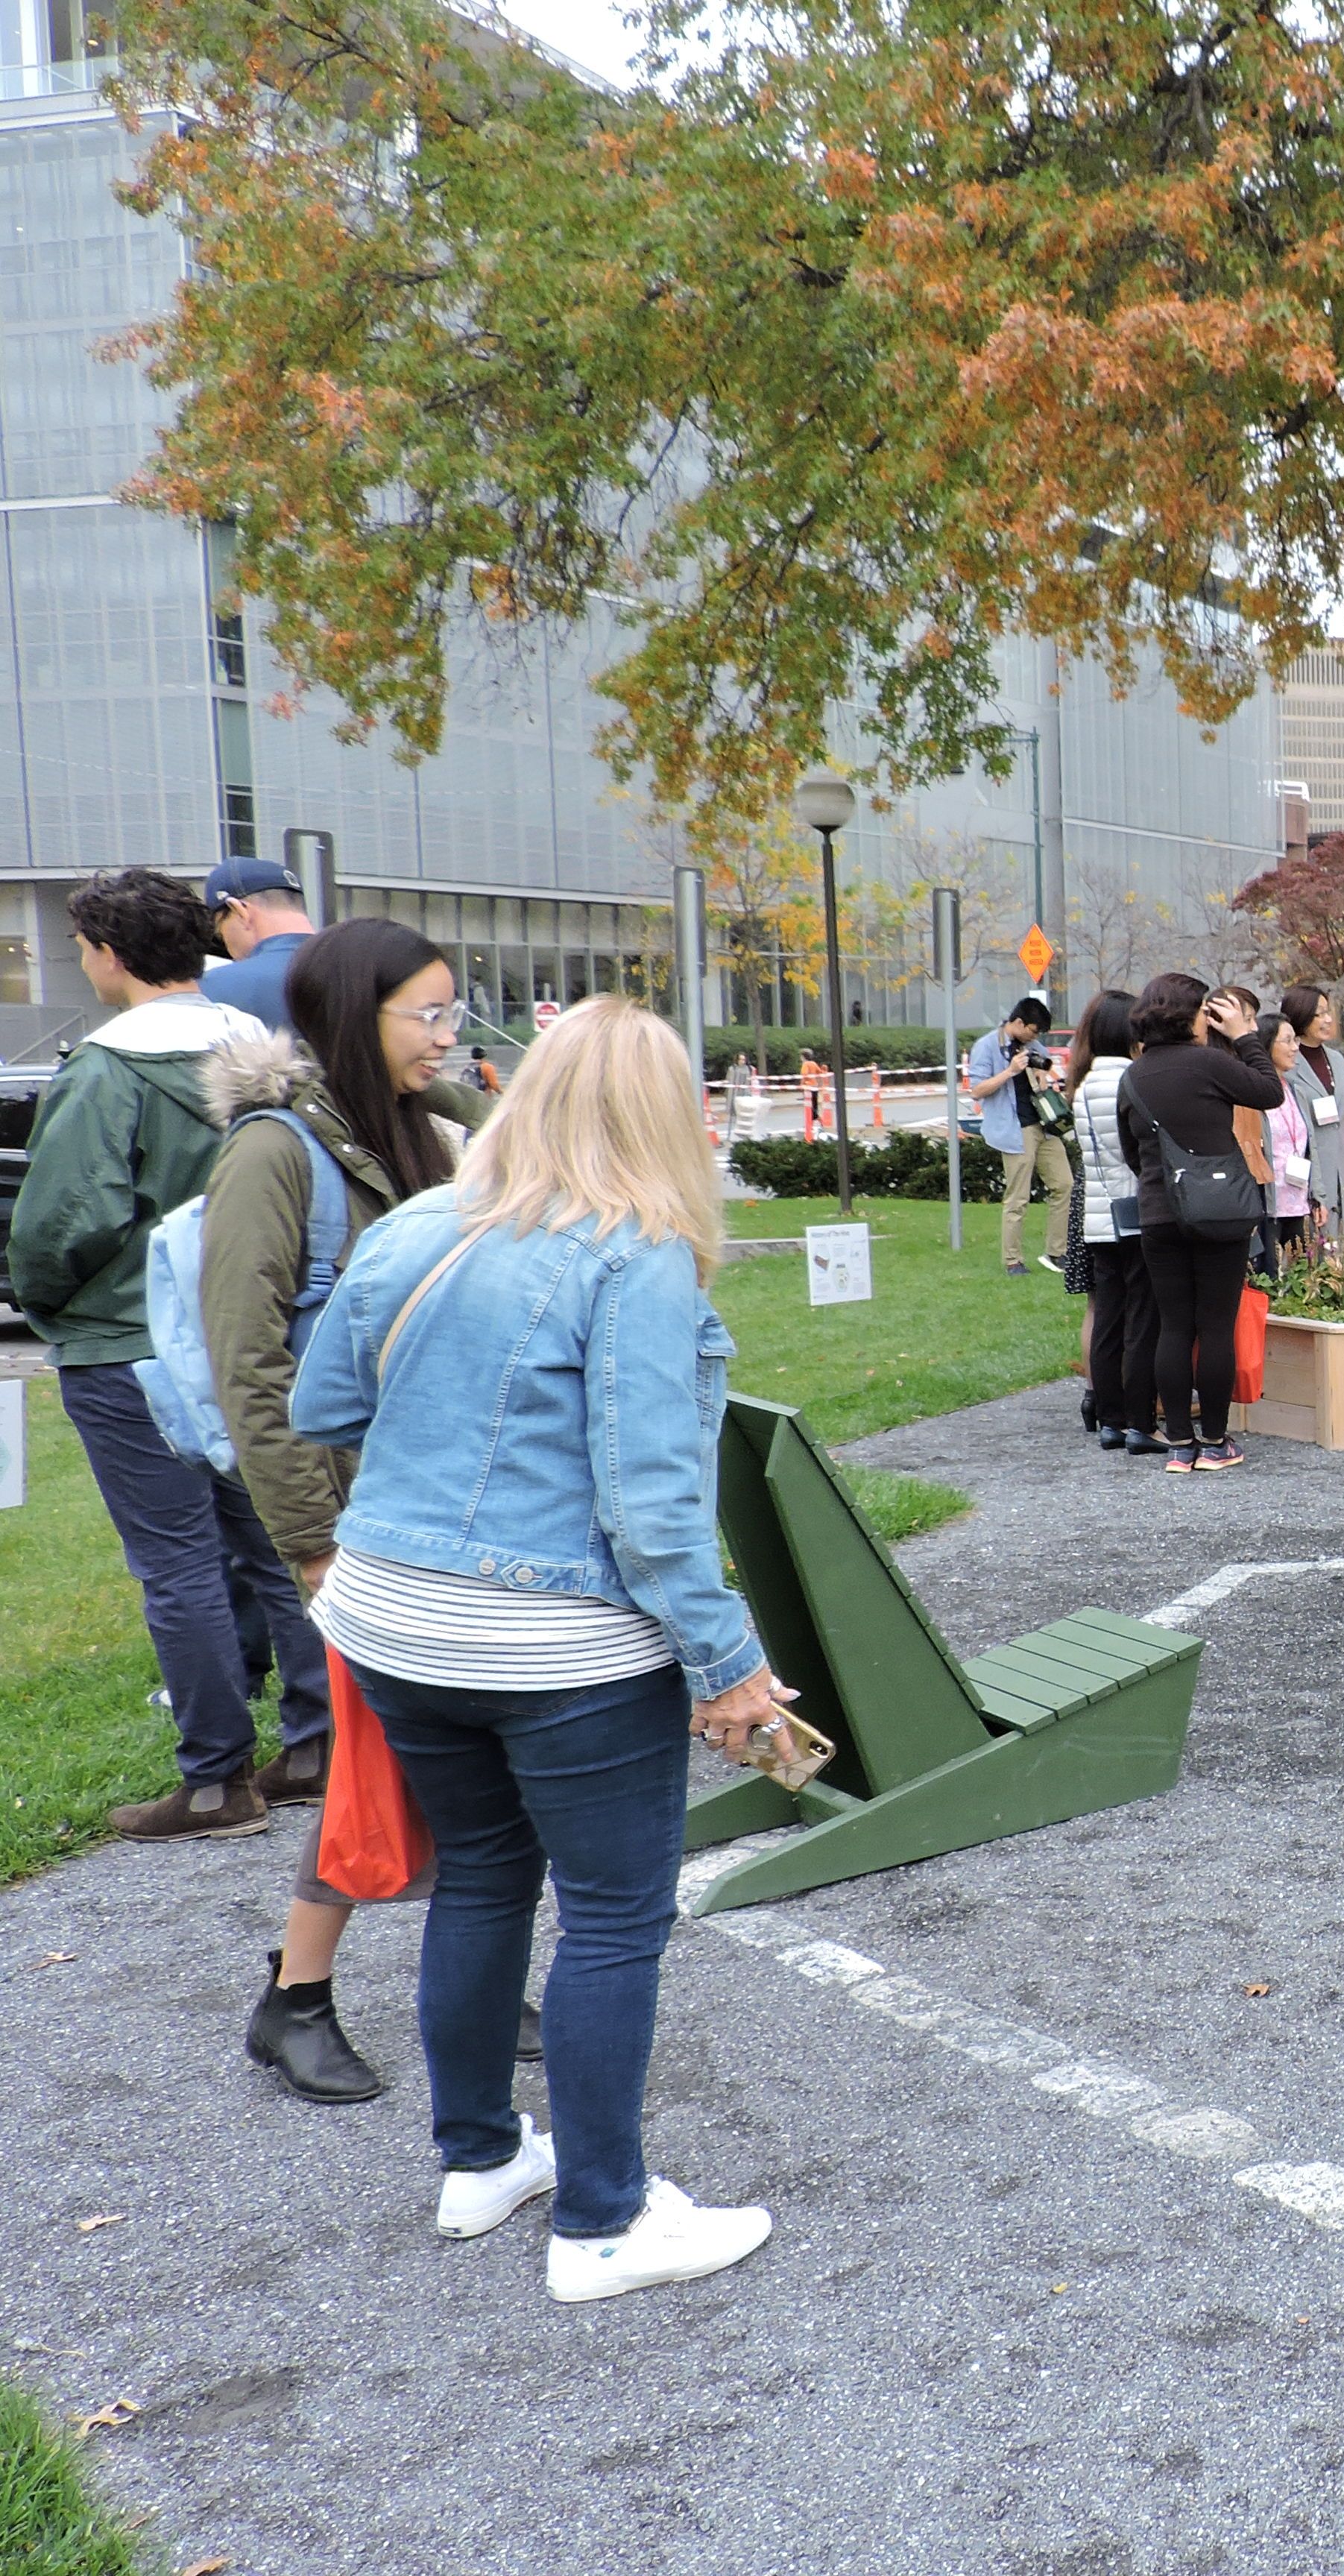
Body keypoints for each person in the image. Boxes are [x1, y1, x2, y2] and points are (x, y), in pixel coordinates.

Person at [288, 995, 780, 2302]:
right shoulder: (639, 1254)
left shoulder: (419, 1225)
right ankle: (605, 2223)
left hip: (396, 1624)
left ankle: (480, 2161)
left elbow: (320, 1401)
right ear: (665, 1114)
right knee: (615, 1919)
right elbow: (654, 1506)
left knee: (484, 1885)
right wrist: (728, 1665)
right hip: (557, 1644)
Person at [202, 918, 499, 2099]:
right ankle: (296, 1998)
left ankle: (470, 1971)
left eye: (452, 1013)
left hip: (441, 1509)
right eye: (424, 1016)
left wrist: (464, 1091)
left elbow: (535, 1131)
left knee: (469, 1762)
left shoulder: (415, 1131)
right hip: (357, 1532)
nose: (447, 1036)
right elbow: (248, 1369)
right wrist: (313, 1548)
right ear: (347, 1020)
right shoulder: (275, 1156)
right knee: (388, 1764)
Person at [7, 870, 313, 1842]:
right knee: (277, 1548)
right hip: (249, 1334)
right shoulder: (264, 1060)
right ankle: (321, 1742)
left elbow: (64, 1223)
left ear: (105, 954)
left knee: (179, 1564)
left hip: (130, 1343)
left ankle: (219, 1780)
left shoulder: (104, 1072)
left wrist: (44, 1299)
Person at [1117, 971, 1285, 1469]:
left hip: (1159, 1213)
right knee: (1215, 1326)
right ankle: (1214, 1442)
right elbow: (1268, 1091)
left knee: (1174, 1326)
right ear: (1195, 1016)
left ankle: (1179, 1444)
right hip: (1218, 1211)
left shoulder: (1135, 1075)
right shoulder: (1211, 1063)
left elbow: (1133, 1152)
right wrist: (1244, 1036)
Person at [1065, 992, 1163, 1456]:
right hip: (1136, 1211)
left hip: (1099, 1216)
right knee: (1142, 1320)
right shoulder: (1132, 1079)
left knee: (1107, 1316)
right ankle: (1141, 1420)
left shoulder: (1081, 1085)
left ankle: (1110, 1419)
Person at [963, 993, 1072, 1276]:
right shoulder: (987, 1046)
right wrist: (1010, 1071)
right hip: (1014, 1129)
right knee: (1018, 1197)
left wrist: (1044, 1079)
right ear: (1020, 1022)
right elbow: (976, 1090)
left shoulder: (1034, 1046)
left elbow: (1045, 1079)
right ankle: (1013, 1261)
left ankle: (1056, 1253)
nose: (1035, 1038)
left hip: (1044, 1126)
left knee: (1064, 1184)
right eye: (1033, 1031)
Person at [198, 855, 318, 1035]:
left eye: (220, 933)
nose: (228, 948)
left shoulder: (210, 988)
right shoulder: (365, 965)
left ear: (240, 911)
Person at [1278, 982, 1344, 1241]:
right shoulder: (1287, 1062)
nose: (1328, 1020)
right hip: (1307, 1174)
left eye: (1328, 1013)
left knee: (1341, 1261)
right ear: (1301, 1016)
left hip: (1341, 1171)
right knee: (1306, 1258)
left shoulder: (1336, 1059)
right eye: (1320, 1014)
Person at [1254, 1011, 1318, 1266]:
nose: (1295, 1049)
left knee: (1304, 1277)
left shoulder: (1295, 1090)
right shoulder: (1253, 1091)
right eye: (1288, 1041)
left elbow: (1309, 1146)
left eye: (1296, 1042)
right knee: (1267, 1277)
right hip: (1268, 1202)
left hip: (1299, 1200)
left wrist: (1318, 1196)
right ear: (1267, 1043)